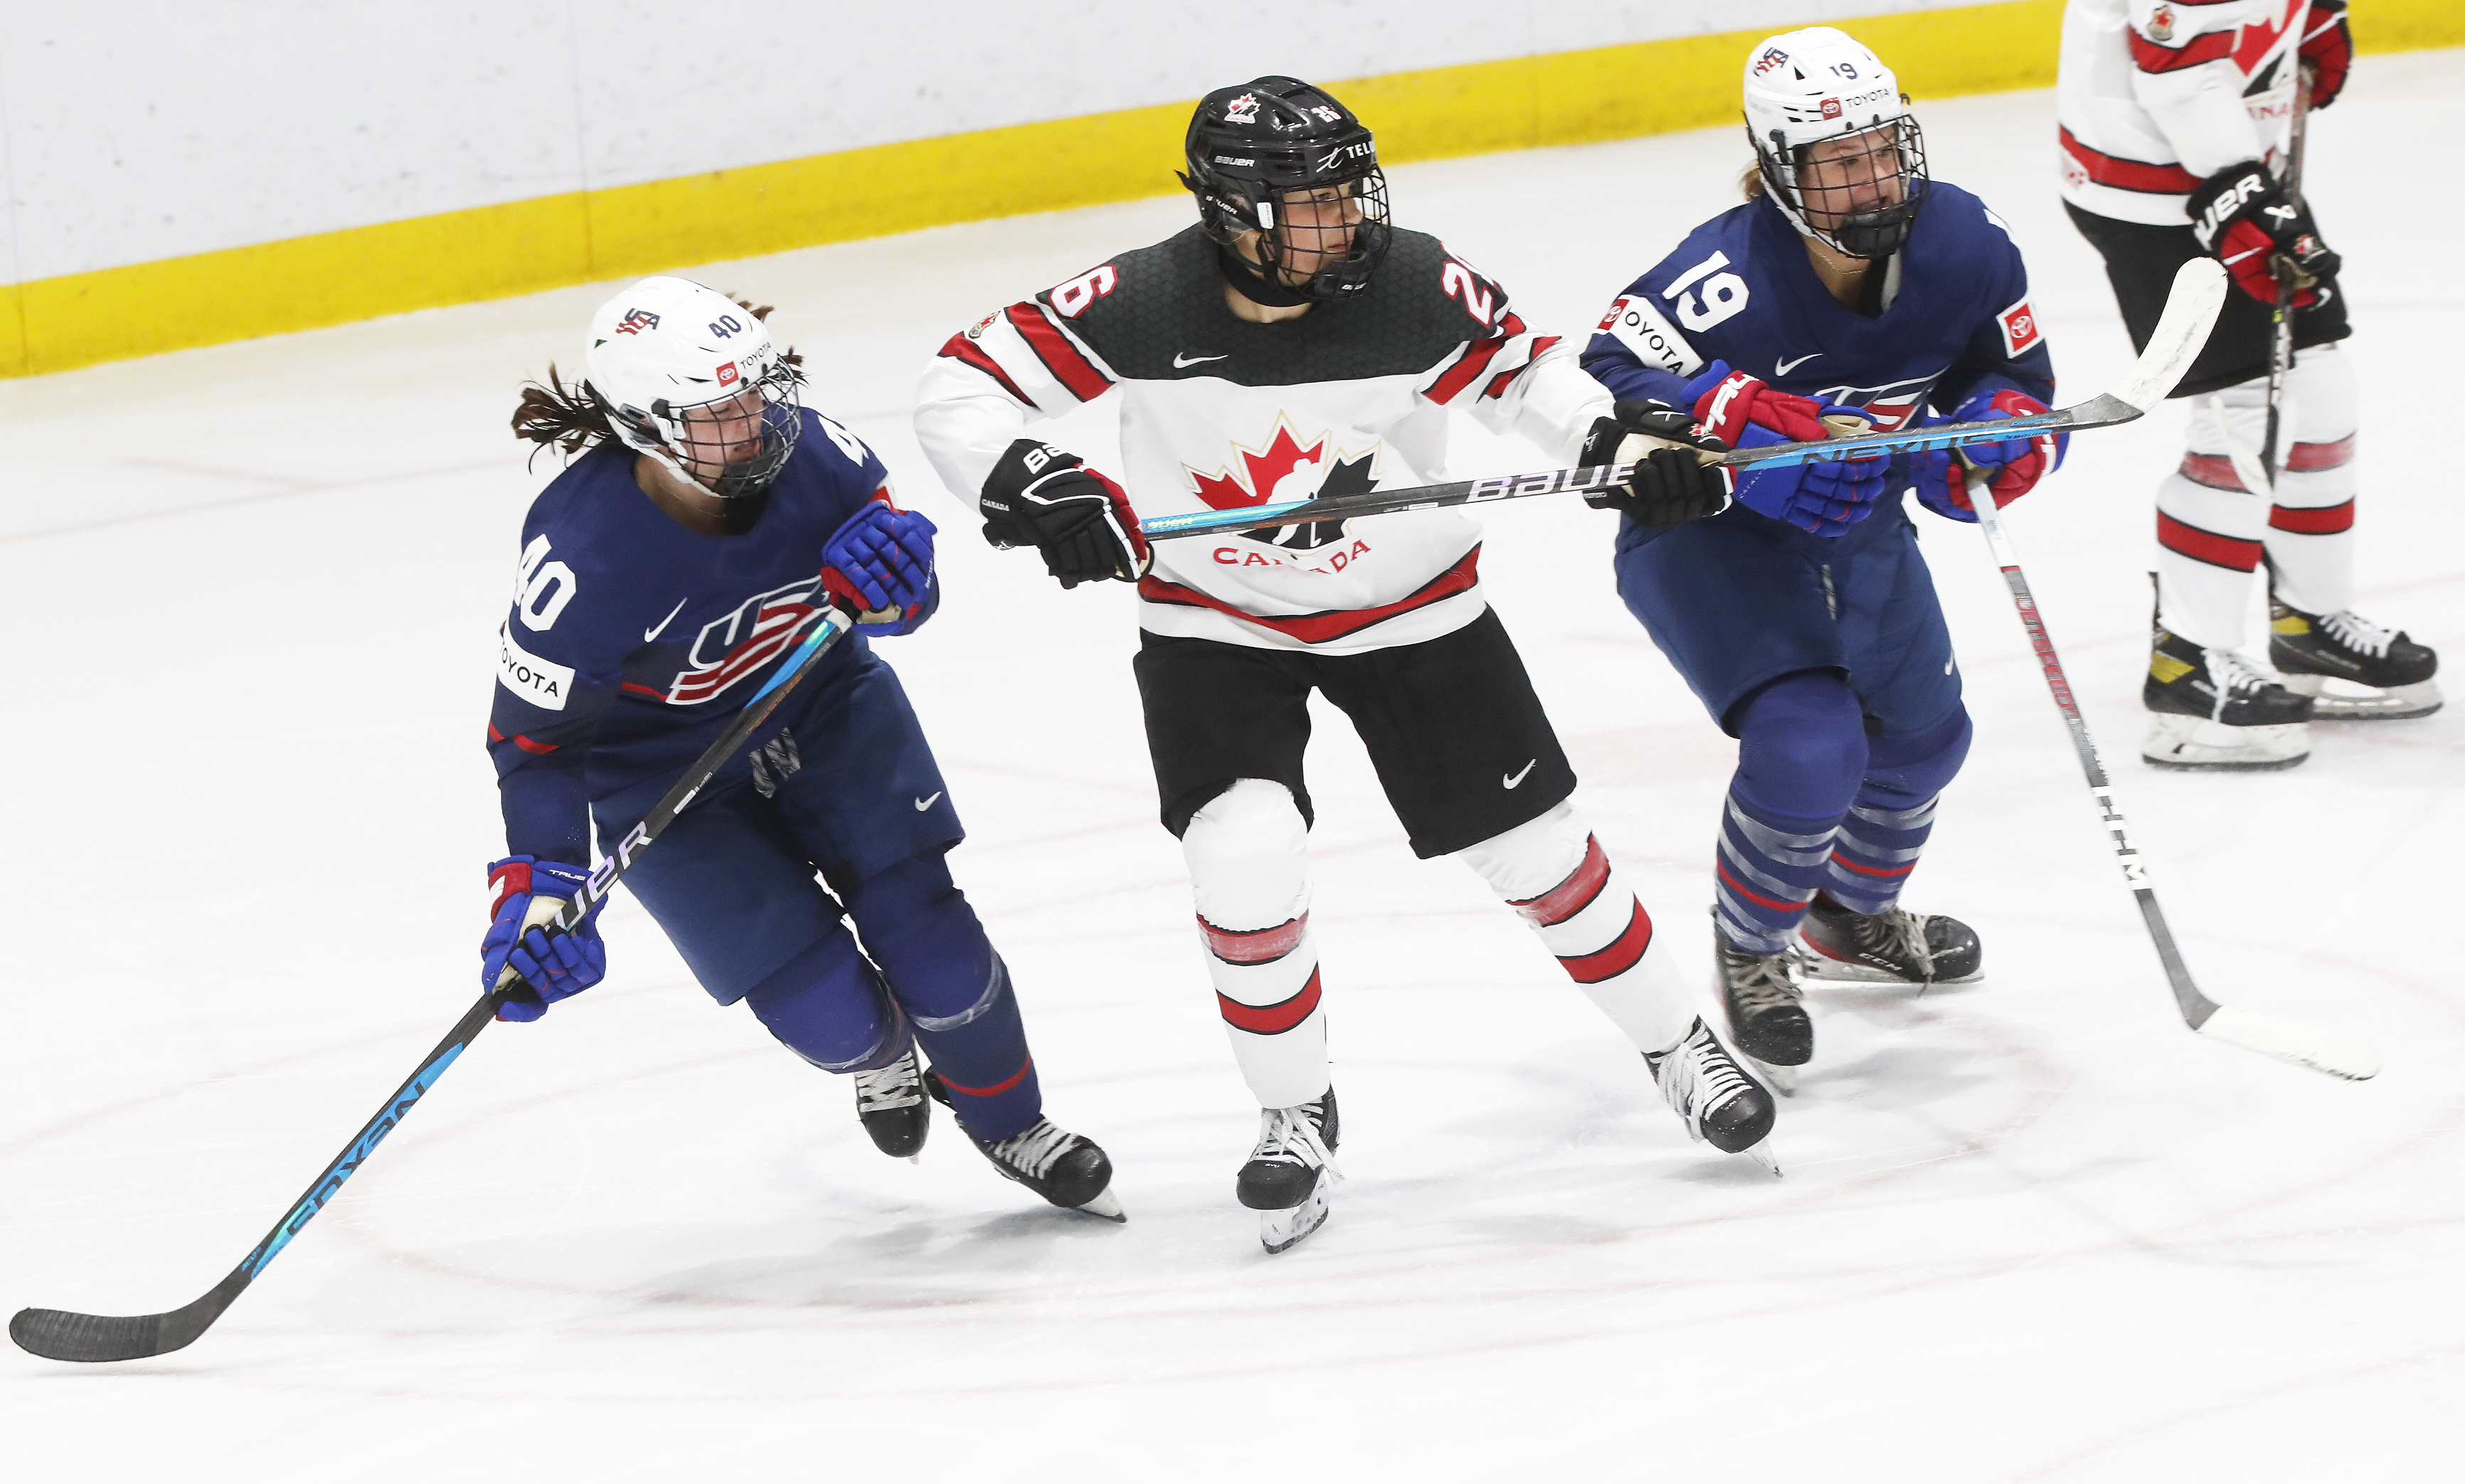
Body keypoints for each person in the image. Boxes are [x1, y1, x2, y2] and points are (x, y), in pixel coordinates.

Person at [912, 76, 1774, 1254]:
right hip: (1216, 621)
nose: (1347, 219)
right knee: (1242, 855)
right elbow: (962, 382)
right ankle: (1293, 1112)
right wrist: (1033, 478)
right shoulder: (1139, 299)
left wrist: (1621, 442)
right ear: (1231, 213)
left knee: (1535, 849)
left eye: (1349, 191)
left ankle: (1678, 1044)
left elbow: (1531, 380)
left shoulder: (1412, 283)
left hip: (1411, 607)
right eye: (1311, 203)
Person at [484, 274, 1122, 1222]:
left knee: (936, 946)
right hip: (659, 773)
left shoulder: (819, 456)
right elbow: (535, 744)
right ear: (646, 427)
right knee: (830, 1018)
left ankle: (1010, 1123)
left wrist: (897, 586)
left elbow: (906, 604)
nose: (754, 423)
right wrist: (539, 891)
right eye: (718, 412)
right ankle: (883, 1055)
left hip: (824, 708)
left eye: (755, 393)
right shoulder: (584, 559)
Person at [1580, 27, 2060, 1088]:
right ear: (1777, 170)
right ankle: (1754, 946)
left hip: (1860, 519)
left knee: (1926, 743)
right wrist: (1727, 420)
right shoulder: (1718, 279)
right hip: (1711, 533)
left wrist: (1997, 434)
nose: (1874, 179)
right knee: (1810, 743)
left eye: (1886, 149)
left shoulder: (1967, 240)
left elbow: (2015, 380)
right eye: (1840, 162)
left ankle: (1848, 917)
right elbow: (1602, 371)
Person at [2057, 0, 2439, 770]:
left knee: (2319, 391)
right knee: (2245, 413)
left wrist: (2308, 15)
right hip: (2154, 179)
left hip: (2231, 157)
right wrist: (2240, 192)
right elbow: (2176, 67)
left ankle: (2309, 623)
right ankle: (2187, 666)